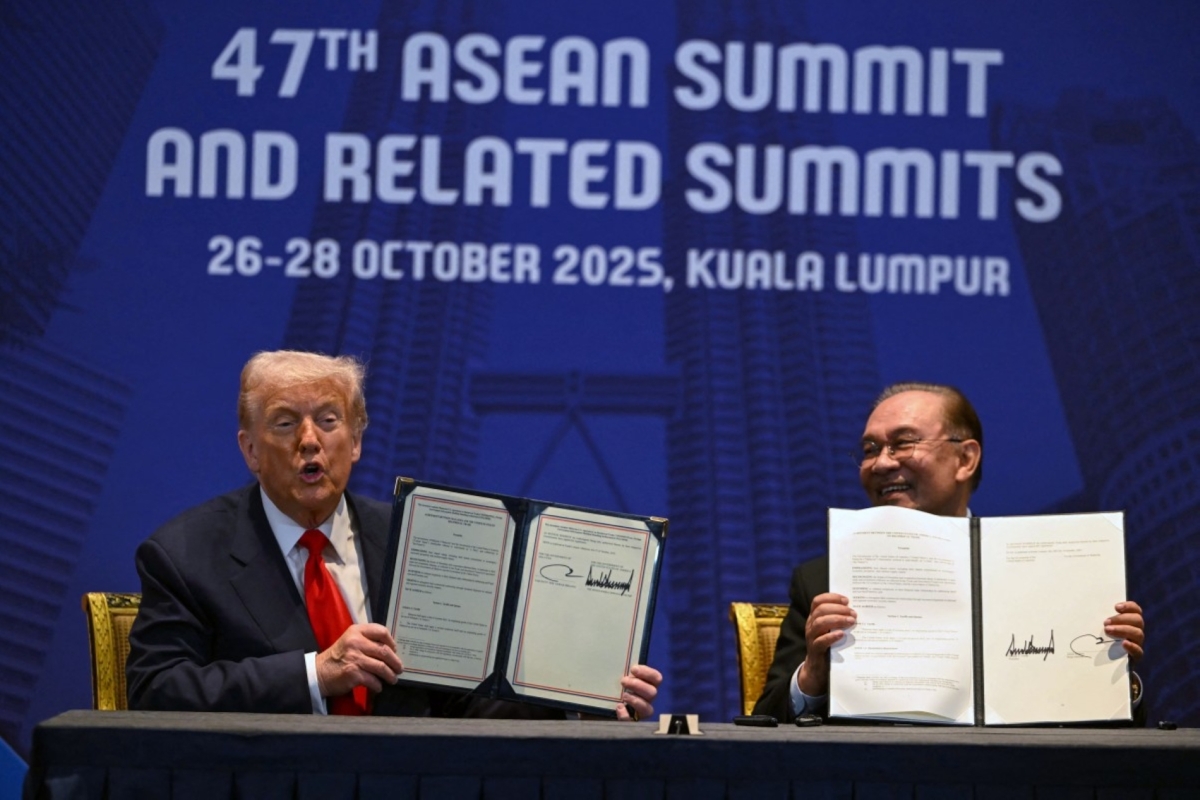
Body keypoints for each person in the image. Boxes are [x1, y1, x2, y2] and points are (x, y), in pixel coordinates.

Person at [126, 350, 661, 719]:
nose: (310, 442)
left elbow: (464, 705)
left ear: (356, 441)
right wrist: (315, 673)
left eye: (329, 421)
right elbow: (155, 692)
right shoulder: (185, 555)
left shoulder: (417, 539)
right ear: (249, 449)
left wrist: (580, 697)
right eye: (286, 423)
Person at [752, 381, 1146, 722]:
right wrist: (813, 676)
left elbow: (1116, 737)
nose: (881, 463)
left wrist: (1112, 674)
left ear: (966, 458)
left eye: (903, 443)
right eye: (870, 449)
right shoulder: (822, 581)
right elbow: (768, 720)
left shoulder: (1058, 570)